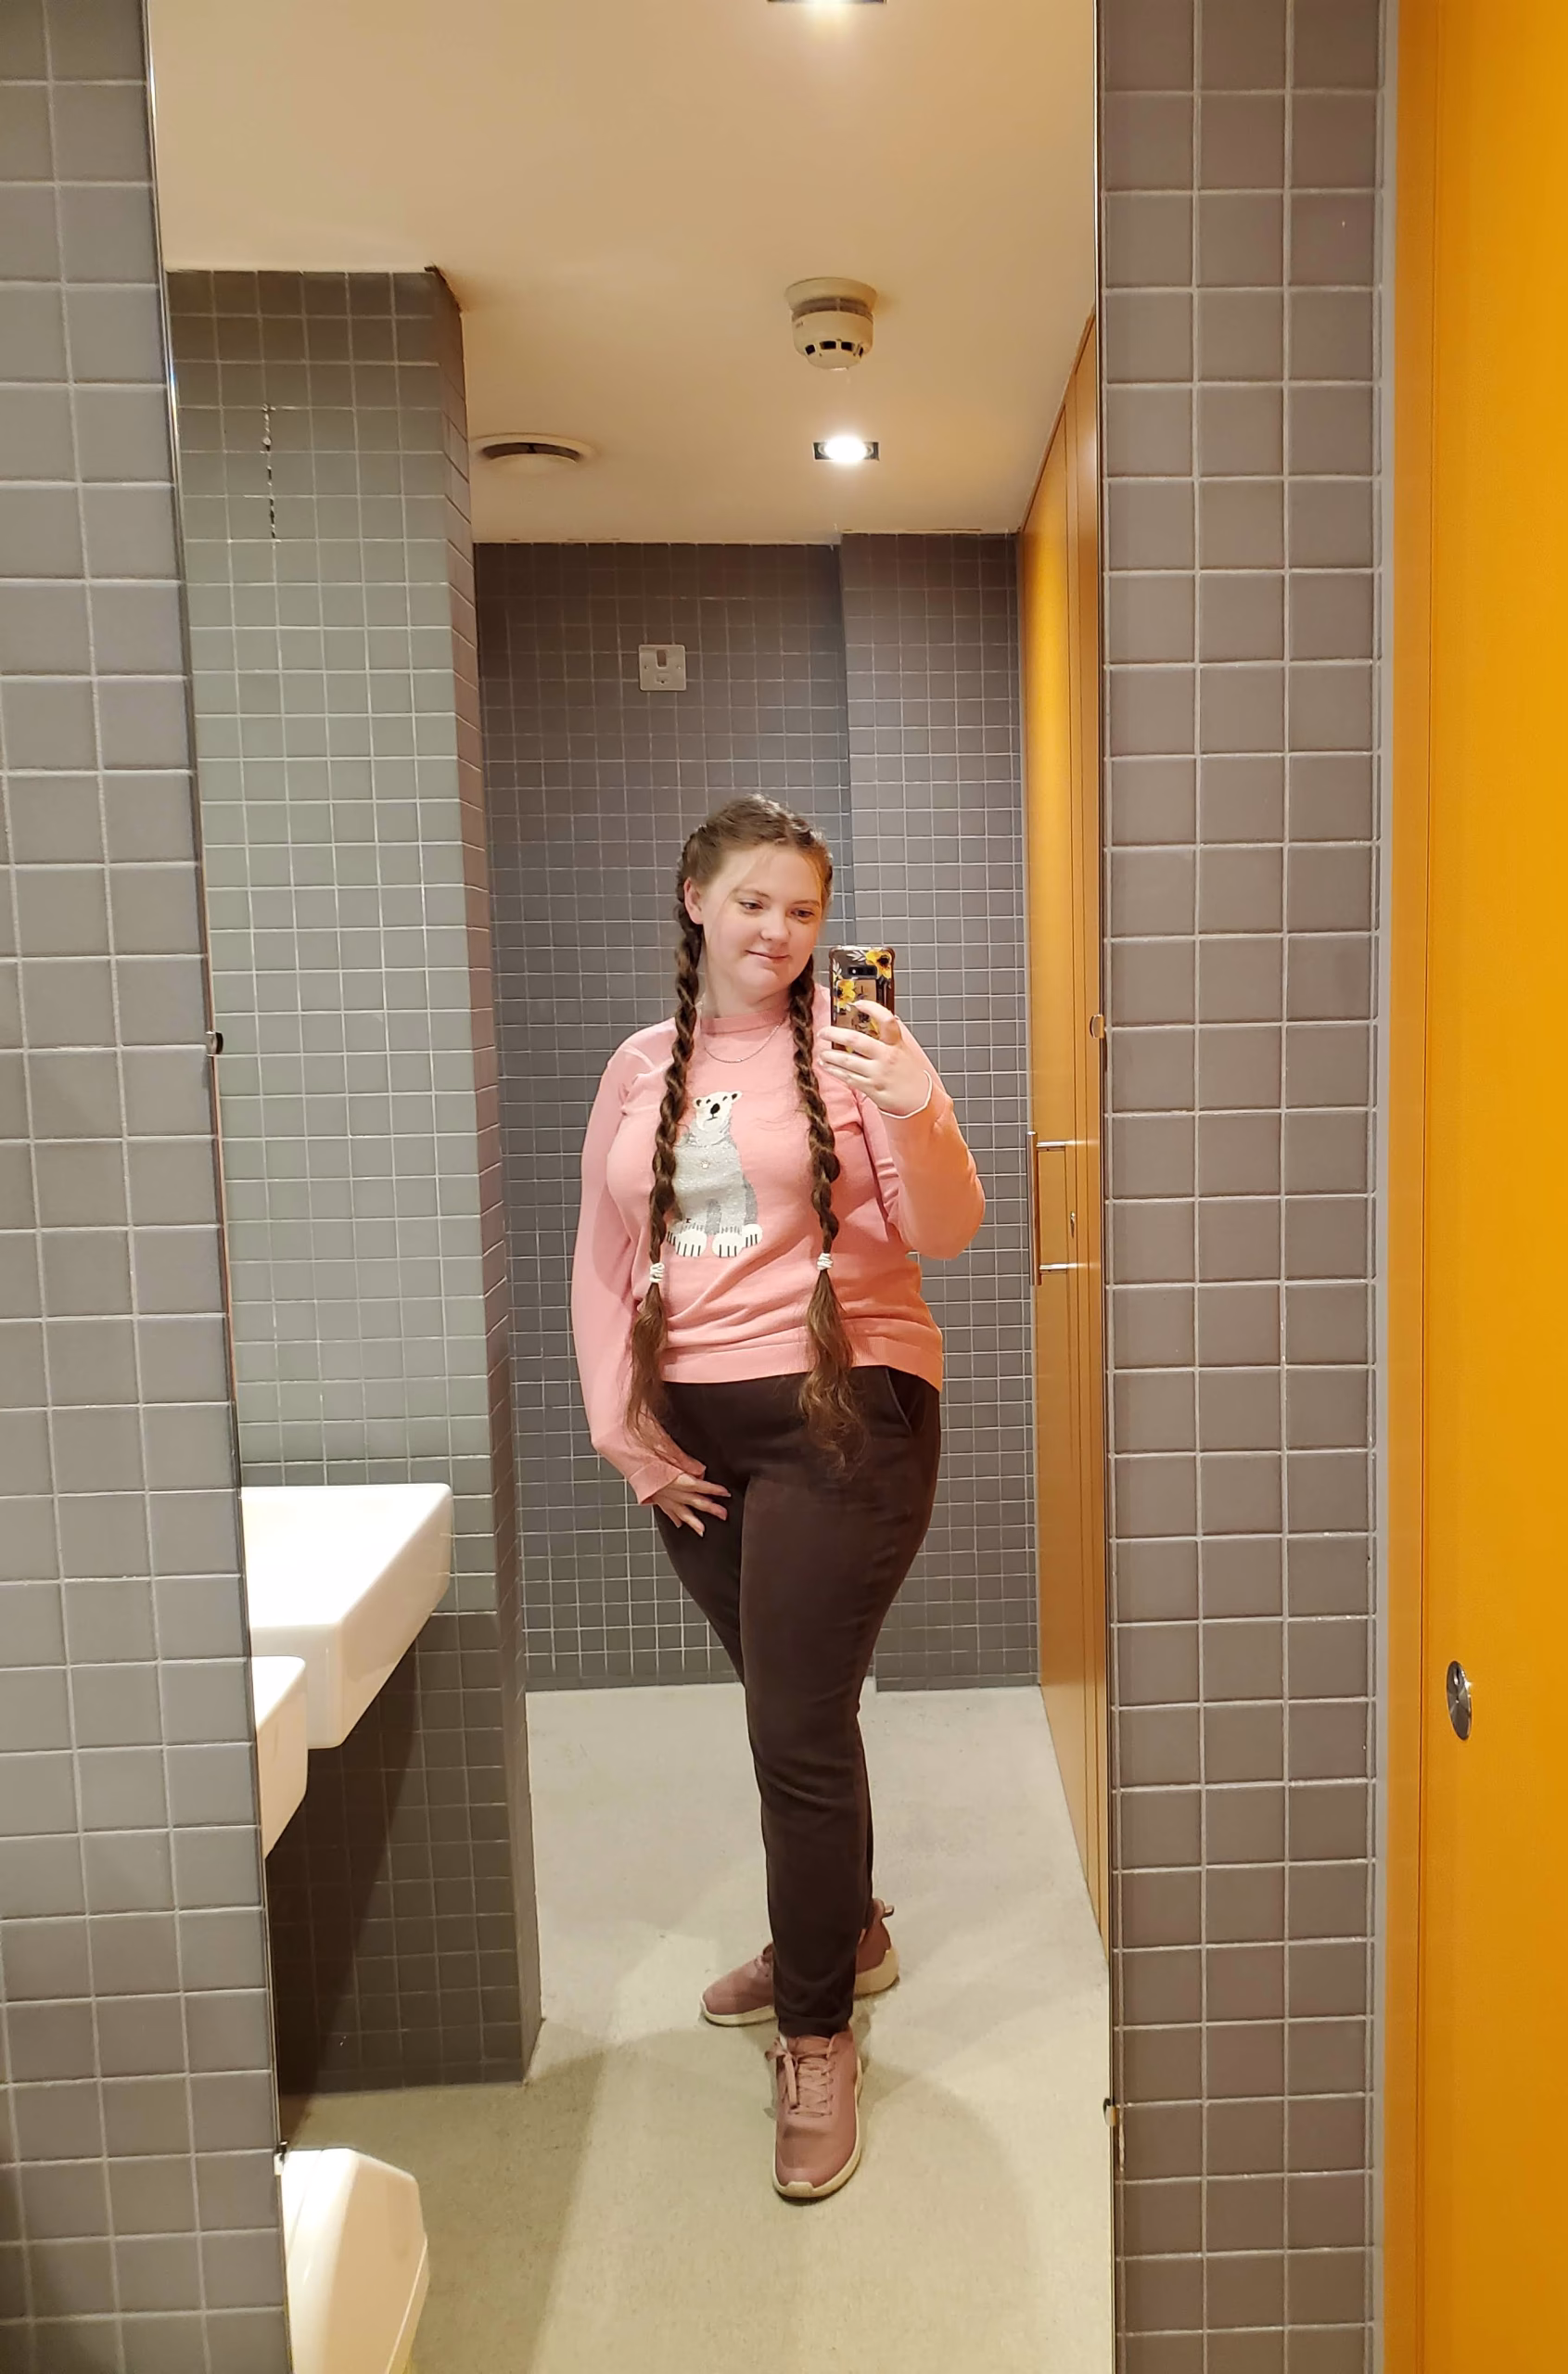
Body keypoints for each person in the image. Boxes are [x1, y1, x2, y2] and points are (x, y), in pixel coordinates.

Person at [570, 794, 985, 2202]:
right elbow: (601, 1255)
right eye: (755, 902)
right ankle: (843, 1935)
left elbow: (946, 1229)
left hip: (841, 1415)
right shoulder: (640, 1065)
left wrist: (915, 1099)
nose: (781, 931)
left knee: (792, 1733)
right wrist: (620, 1425)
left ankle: (815, 2034)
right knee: (793, 1710)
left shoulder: (855, 1052)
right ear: (696, 899)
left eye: (804, 910)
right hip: (693, 1441)